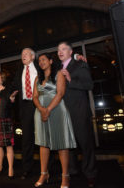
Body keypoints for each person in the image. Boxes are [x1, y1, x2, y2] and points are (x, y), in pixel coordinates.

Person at [33, 53, 76, 188]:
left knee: (61, 143)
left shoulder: (59, 74)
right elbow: (34, 96)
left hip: (57, 110)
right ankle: (44, 173)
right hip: (40, 112)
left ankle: (65, 176)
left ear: (51, 61)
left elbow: (60, 93)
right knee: (43, 143)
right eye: (39, 60)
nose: (41, 62)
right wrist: (41, 109)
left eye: (44, 59)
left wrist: (48, 110)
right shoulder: (37, 78)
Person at [58, 42, 97, 187]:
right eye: (58, 50)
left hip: (80, 112)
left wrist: (70, 79)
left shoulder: (80, 64)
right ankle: (73, 171)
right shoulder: (59, 67)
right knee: (69, 144)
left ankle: (90, 174)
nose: (60, 52)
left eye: (63, 49)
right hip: (64, 113)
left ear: (70, 51)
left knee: (86, 144)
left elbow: (89, 85)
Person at [11, 48, 38, 179]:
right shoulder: (19, 71)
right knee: (26, 139)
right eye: (22, 54)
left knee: (44, 137)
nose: (23, 56)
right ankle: (27, 169)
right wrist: (12, 93)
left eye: (26, 54)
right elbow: (14, 86)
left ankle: (47, 168)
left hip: (39, 104)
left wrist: (77, 56)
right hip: (26, 106)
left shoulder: (39, 67)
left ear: (33, 56)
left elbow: (54, 67)